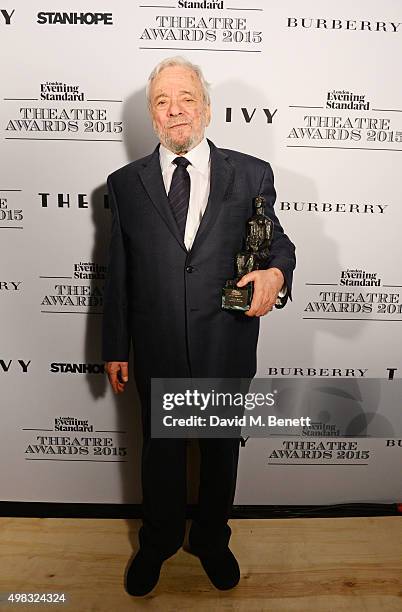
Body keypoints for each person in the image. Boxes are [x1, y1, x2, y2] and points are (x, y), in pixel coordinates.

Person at [102, 56, 296, 597]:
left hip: (225, 343)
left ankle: (211, 539)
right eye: (162, 101)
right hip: (157, 344)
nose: (175, 110)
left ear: (207, 108)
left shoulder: (252, 172)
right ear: (152, 116)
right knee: (161, 453)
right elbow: (118, 270)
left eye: (186, 97)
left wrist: (277, 270)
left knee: (219, 450)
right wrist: (115, 345)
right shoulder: (123, 184)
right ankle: (158, 541)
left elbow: (277, 240)